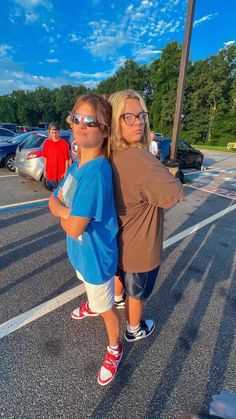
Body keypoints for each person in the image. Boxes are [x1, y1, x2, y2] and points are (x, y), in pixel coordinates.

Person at [48, 94, 122, 386]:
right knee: (89, 288)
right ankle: (93, 303)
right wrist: (69, 212)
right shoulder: (77, 164)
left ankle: (114, 348)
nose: (80, 125)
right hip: (80, 255)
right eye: (75, 118)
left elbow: (74, 228)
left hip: (96, 259)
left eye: (90, 121)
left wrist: (68, 214)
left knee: (107, 309)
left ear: (104, 130)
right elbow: (53, 201)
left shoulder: (97, 171)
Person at [109, 89, 184, 342]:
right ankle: (134, 329)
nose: (138, 121)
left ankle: (117, 299)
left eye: (141, 115)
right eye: (128, 116)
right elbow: (174, 193)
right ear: (115, 120)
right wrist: (169, 174)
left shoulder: (108, 154)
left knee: (121, 278)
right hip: (140, 248)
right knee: (137, 294)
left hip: (117, 240)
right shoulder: (144, 161)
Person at [42, 122, 70, 190]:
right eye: (52, 132)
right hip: (50, 173)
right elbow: (45, 158)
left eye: (56, 132)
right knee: (53, 191)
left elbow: (67, 159)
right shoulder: (47, 143)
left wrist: (66, 172)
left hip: (61, 174)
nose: (54, 135)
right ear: (49, 132)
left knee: (61, 193)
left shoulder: (64, 143)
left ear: (59, 132)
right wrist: (45, 170)